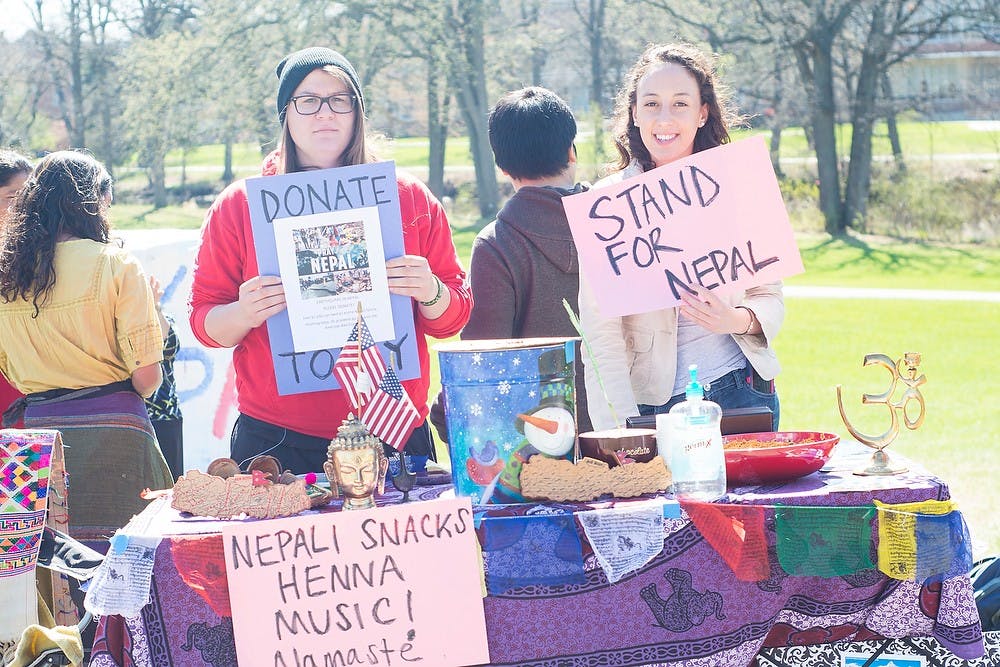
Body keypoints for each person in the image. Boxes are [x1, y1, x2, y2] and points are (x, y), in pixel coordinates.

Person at [189, 47, 472, 475]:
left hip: (391, 429)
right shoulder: (240, 206)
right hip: (279, 438)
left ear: (357, 112)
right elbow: (206, 324)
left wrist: (430, 291)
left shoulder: (408, 198)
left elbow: (452, 318)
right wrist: (244, 312)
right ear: (286, 112)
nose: (325, 113)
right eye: (308, 101)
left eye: (340, 99)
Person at [580, 43, 783, 432]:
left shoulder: (739, 185)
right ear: (635, 113)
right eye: (652, 103)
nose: (664, 118)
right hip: (654, 409)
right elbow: (600, 337)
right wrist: (622, 428)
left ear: (703, 112)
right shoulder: (607, 207)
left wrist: (734, 319)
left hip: (742, 392)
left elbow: (769, 297)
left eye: (680, 104)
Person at [0, 150, 173, 540]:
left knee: (49, 579)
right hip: (118, 438)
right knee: (131, 573)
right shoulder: (117, 264)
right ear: (92, 204)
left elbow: (9, 369)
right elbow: (147, 377)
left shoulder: (5, 274)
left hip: (35, 448)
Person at [430, 86, 593, 442]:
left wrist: (444, 413)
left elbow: (483, 358)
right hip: (631, 431)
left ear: (501, 166)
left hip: (539, 443)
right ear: (571, 151)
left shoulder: (497, 243)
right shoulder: (617, 223)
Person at [0, 149, 32, 428]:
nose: (23, 209)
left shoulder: (41, 258)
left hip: (33, 402)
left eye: (29, 198)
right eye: (12, 198)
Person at [145, 274, 185, 479]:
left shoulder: (163, 318)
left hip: (166, 417)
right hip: (136, 418)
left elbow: (169, 346)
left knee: (171, 487)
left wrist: (153, 307)